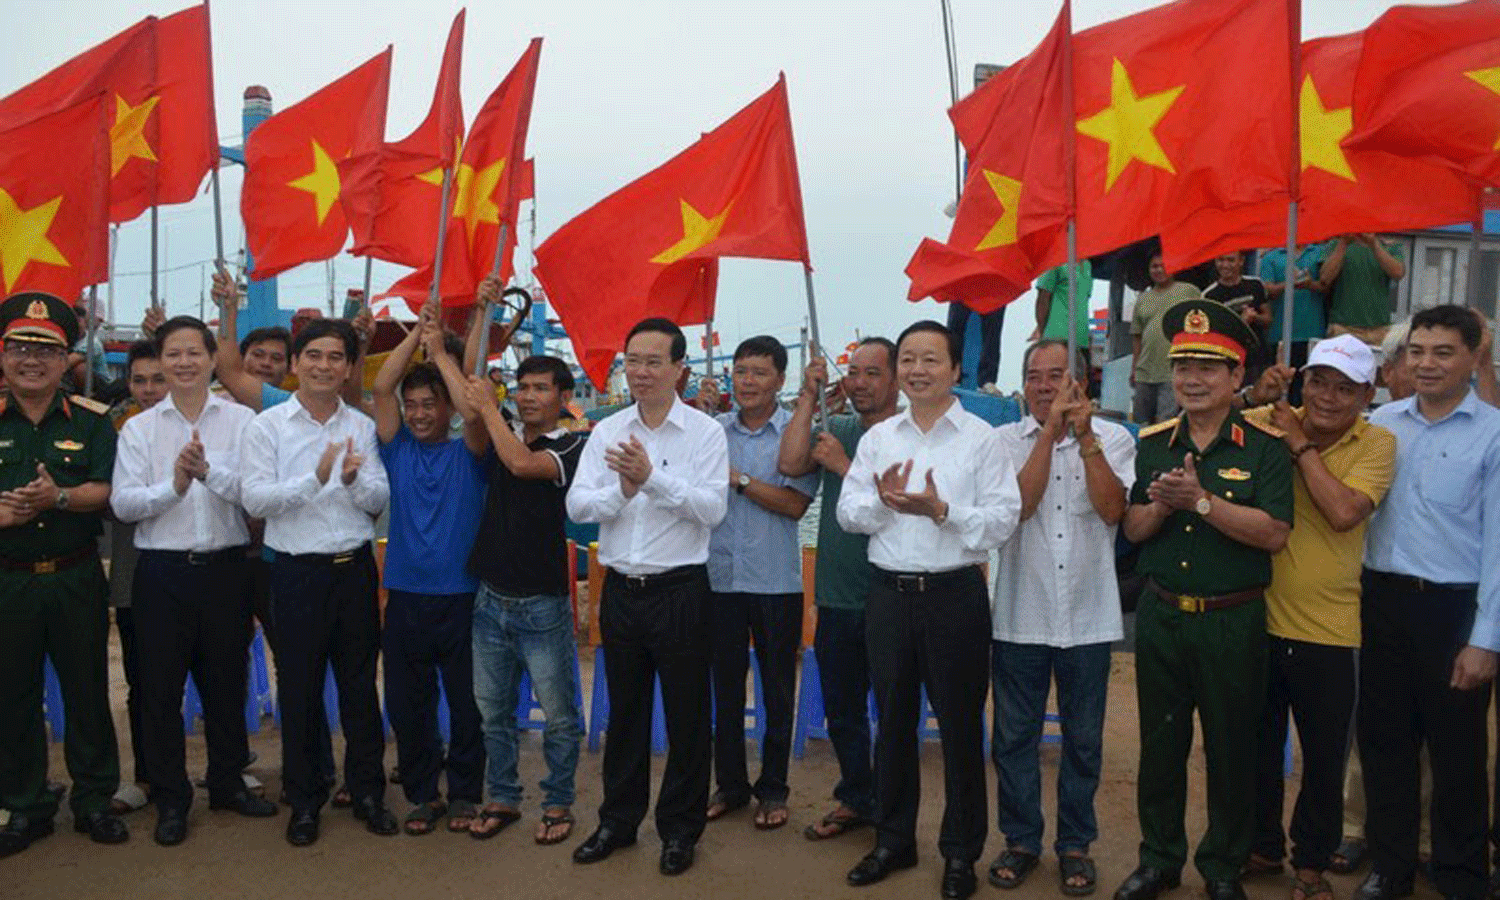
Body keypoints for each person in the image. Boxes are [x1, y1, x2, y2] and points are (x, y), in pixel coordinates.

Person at [1114, 299, 1293, 900]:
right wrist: (1164, 503)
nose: (1191, 377)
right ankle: (1160, 858)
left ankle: (1222, 868)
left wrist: (1203, 502)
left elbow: (1274, 533)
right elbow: (1135, 531)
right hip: (1164, 615)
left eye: (1208, 366)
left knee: (1231, 749)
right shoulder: (1154, 442)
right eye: (1183, 364)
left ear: (1237, 376)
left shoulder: (1264, 446)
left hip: (1233, 618)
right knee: (1160, 748)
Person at [837, 320, 1022, 900]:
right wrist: (884, 503)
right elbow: (848, 514)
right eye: (909, 360)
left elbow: (1001, 520)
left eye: (931, 360)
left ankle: (960, 852)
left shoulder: (981, 439)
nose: (918, 370)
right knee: (891, 722)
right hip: (888, 595)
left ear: (955, 371)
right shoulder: (878, 439)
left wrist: (943, 512)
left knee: (961, 729)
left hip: (954, 597)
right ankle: (893, 840)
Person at [566, 318, 729, 877]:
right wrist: (624, 488)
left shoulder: (705, 434)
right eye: (631, 360)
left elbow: (713, 509)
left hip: (681, 590)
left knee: (687, 717)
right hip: (622, 591)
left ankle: (680, 831)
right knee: (625, 713)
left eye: (652, 361)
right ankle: (617, 821)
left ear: (680, 368)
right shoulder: (608, 430)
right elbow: (579, 507)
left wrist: (651, 479)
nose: (639, 372)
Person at [1235, 337, 1396, 900]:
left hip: (1329, 627)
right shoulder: (1268, 416)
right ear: (1302, 380)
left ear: (1367, 394)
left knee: (1324, 758)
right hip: (1256, 614)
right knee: (1255, 746)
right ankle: (1260, 846)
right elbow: (1212, 425)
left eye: (1345, 387)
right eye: (1319, 382)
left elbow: (1344, 511)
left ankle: (1310, 864)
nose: (1328, 397)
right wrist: (1256, 393)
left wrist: (1300, 445)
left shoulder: (1377, 443)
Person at [110, 316, 277, 846]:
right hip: (161, 573)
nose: (183, 362)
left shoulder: (241, 422)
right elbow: (124, 503)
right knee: (160, 690)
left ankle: (227, 782)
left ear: (211, 359)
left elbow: (256, 495)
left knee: (226, 683)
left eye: (193, 353)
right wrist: (175, 485)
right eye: (172, 353)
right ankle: (172, 798)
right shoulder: (139, 428)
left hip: (226, 568)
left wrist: (210, 475)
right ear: (160, 362)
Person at [1356, 304, 1500, 900]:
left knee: (1457, 753)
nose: (1427, 364)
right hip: (1381, 604)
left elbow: (1498, 544)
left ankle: (1461, 873)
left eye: (1443, 352)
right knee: (1385, 744)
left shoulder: (1493, 433)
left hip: (1454, 611)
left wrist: (1485, 639)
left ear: (1473, 359)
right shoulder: (1381, 424)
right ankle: (1388, 869)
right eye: (1417, 351)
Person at [988, 342, 1134, 897]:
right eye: (1033, 376)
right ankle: (1021, 839)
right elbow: (1018, 507)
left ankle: (1075, 843)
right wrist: (1049, 435)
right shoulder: (1002, 443)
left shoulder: (1115, 439)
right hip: (1020, 615)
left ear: (1081, 383)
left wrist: (1086, 436)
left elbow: (1112, 509)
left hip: (1090, 617)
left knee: (1084, 741)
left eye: (1056, 376)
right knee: (1014, 738)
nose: (1044, 386)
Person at [241, 318, 394, 847]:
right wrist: (316, 477)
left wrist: (351, 479)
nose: (323, 366)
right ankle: (304, 800)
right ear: (294, 363)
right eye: (313, 356)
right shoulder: (267, 427)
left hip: (352, 570)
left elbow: (378, 500)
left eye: (335, 357)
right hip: (295, 573)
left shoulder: (364, 426)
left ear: (349, 367)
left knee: (358, 687)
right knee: (301, 690)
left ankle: (368, 792)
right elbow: (255, 500)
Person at [0, 292, 129, 856]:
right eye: (20, 348)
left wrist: (58, 497)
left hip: (75, 577)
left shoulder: (94, 422)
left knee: (86, 690)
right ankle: (26, 805)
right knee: (13, 695)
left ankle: (95, 799)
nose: (32, 360)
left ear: (65, 359)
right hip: (9, 578)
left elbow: (106, 490)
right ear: (3, 354)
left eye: (45, 350)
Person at [457, 332, 586, 846]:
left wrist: (490, 407)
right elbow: (470, 390)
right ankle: (503, 796)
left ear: (563, 396)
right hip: (490, 598)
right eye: (522, 387)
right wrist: (452, 347)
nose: (528, 396)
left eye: (539, 388)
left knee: (558, 716)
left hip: (543, 605)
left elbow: (521, 464)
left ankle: (558, 802)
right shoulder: (501, 426)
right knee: (492, 713)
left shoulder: (573, 445)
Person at [369, 307, 487, 837]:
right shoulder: (396, 451)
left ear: (448, 409)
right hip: (406, 598)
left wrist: (441, 355)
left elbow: (475, 410)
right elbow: (381, 388)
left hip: (463, 598)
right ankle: (422, 793)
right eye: (412, 406)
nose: (417, 414)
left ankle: (464, 793)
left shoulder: (473, 451)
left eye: (428, 405)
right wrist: (419, 332)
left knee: (467, 703)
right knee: (407, 703)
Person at [777, 337, 901, 841]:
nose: (860, 382)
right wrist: (808, 398)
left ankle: (894, 809)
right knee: (844, 710)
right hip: (836, 596)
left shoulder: (910, 436)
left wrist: (846, 470)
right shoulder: (840, 429)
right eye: (853, 372)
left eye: (873, 373)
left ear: (895, 379)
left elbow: (901, 504)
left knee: (895, 714)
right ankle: (856, 797)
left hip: (893, 597)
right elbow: (788, 464)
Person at [704, 336, 816, 831]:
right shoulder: (711, 431)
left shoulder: (797, 435)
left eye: (758, 373)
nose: (746, 381)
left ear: (780, 380)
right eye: (740, 371)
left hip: (775, 583)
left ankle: (773, 790)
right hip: (718, 580)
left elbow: (795, 505)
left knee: (776, 693)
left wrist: (742, 481)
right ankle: (730, 785)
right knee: (724, 692)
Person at [106, 340, 166, 816]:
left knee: (210, 675)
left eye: (157, 379)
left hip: (196, 574)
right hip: (133, 576)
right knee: (144, 682)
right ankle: (148, 776)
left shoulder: (205, 423)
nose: (149, 390)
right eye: (139, 381)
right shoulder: (109, 429)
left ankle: (224, 770)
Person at [1131, 254, 1202, 424]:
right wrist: (1134, 367)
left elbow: (1200, 324)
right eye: (1154, 266)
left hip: (1173, 370)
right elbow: (1136, 335)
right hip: (1145, 371)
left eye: (1163, 265)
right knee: (1140, 422)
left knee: (1165, 423)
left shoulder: (1188, 291)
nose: (1159, 270)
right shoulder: (1142, 299)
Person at [1258, 243, 1327, 406]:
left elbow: (1326, 286)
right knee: (1280, 386)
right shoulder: (1271, 257)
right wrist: (1289, 284)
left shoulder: (1320, 253)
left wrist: (1310, 284)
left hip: (1313, 332)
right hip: (1280, 334)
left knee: (1309, 386)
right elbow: (1266, 291)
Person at [1318, 234, 1405, 347]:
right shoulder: (1335, 244)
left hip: (1379, 330)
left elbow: (1398, 273)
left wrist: (1374, 244)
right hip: (1343, 328)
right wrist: (1343, 243)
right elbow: (1325, 278)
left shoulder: (1390, 245)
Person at [1203, 253, 1271, 379]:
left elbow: (1268, 319)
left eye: (1231, 260)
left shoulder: (1255, 284)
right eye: (1220, 260)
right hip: (1227, 359)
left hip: (1257, 357)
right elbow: (1211, 333)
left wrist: (1255, 317)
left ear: (1241, 261)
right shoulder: (1209, 295)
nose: (1225, 265)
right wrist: (1241, 322)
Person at [1031, 262, 1094, 351]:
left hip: (1081, 341)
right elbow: (1043, 299)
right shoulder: (1055, 260)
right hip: (1056, 338)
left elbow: (1083, 301)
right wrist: (1042, 333)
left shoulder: (1088, 265)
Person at [945, 301, 1004, 390]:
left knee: (992, 332)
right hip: (962, 288)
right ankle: (952, 375)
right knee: (955, 328)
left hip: (995, 289)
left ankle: (987, 381)